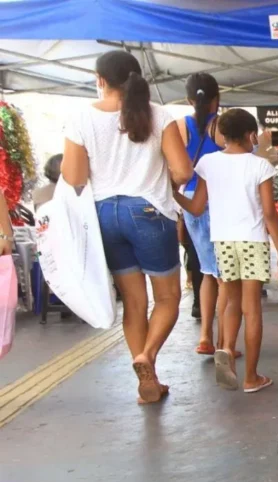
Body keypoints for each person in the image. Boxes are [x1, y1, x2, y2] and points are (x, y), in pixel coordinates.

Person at [61, 50, 192, 404]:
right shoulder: (159, 115)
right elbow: (183, 171)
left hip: (105, 215)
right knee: (167, 298)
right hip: (149, 211)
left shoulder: (80, 118)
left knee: (134, 303)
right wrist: (163, 184)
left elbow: (74, 177)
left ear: (100, 80)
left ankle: (149, 382)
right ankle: (147, 356)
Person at [175, 109, 278, 393]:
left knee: (230, 303)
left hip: (223, 242)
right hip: (252, 241)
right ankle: (251, 377)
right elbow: (269, 213)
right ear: (251, 135)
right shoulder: (260, 166)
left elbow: (196, 207)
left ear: (224, 135)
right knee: (252, 310)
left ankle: (226, 348)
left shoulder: (208, 163)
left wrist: (173, 193)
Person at [176, 73, 227, 355]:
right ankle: (224, 342)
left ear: (188, 99)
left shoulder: (179, 127)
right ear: (216, 99)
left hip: (191, 203)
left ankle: (206, 336)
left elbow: (175, 169)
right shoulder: (221, 126)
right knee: (225, 276)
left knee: (207, 271)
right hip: (219, 200)